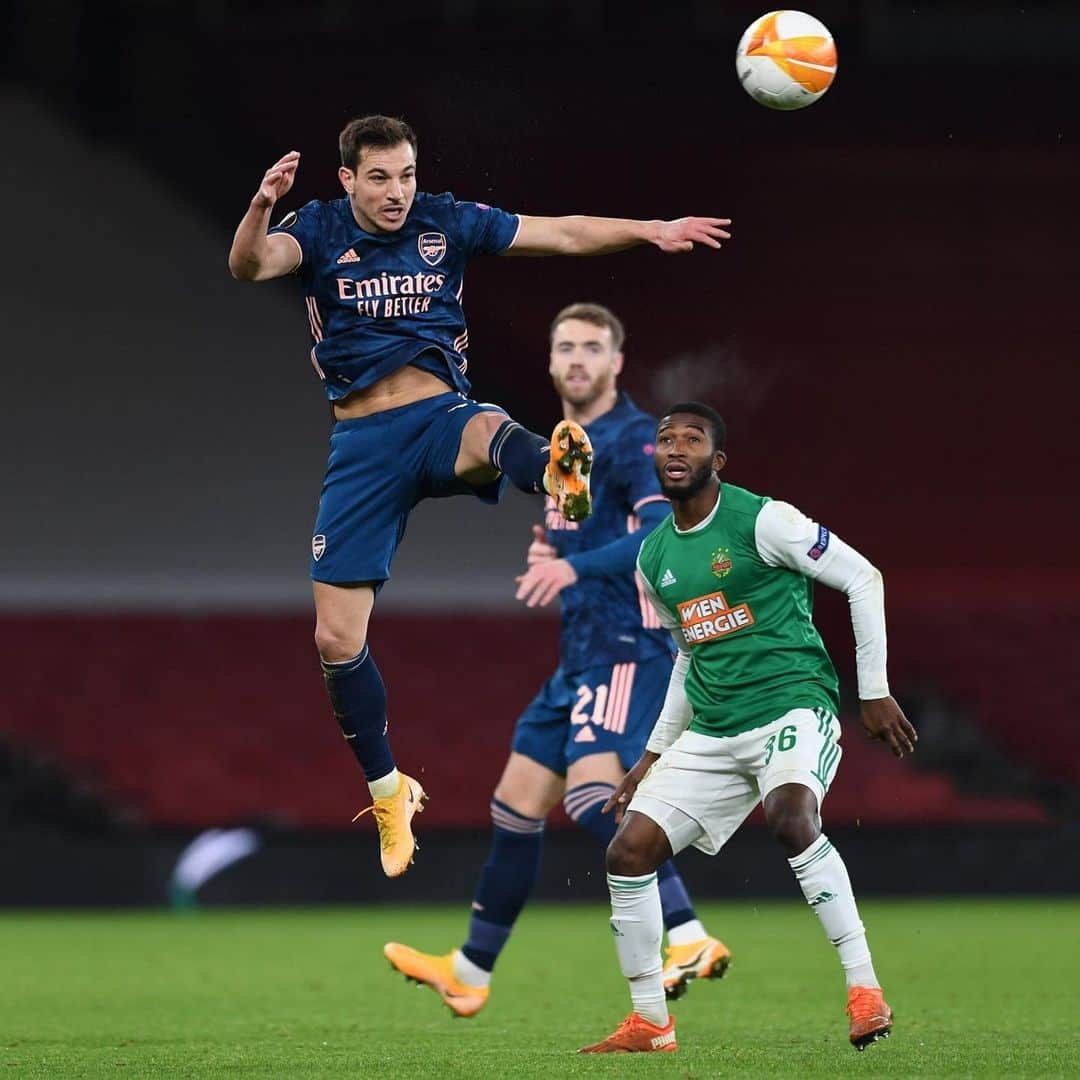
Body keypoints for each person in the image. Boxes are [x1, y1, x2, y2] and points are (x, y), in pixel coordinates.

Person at [227, 116, 732, 878]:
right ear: (347, 180)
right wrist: (263, 204)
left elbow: (560, 234)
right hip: (363, 446)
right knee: (336, 640)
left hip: (438, 416)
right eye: (380, 179)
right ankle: (390, 789)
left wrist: (651, 229)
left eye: (406, 175)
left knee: (485, 428)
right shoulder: (319, 229)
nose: (398, 193)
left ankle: (554, 464)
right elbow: (250, 265)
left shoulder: (446, 220)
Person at [383, 305, 730, 1014]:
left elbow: (655, 541)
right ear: (549, 361)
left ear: (616, 362)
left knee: (591, 799)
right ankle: (470, 973)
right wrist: (556, 551)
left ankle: (688, 933)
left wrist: (572, 569)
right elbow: (576, 534)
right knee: (515, 806)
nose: (576, 358)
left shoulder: (637, 441)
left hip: (625, 649)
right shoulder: (559, 449)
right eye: (565, 346)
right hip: (577, 657)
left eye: (591, 347)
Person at [578, 402, 918, 1054]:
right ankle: (651, 1022)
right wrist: (653, 754)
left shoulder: (767, 520)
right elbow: (688, 654)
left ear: (717, 459)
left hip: (791, 705)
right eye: (665, 439)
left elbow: (862, 578)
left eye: (692, 439)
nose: (675, 448)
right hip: (712, 725)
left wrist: (871, 693)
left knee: (792, 818)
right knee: (626, 853)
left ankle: (864, 989)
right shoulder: (654, 559)